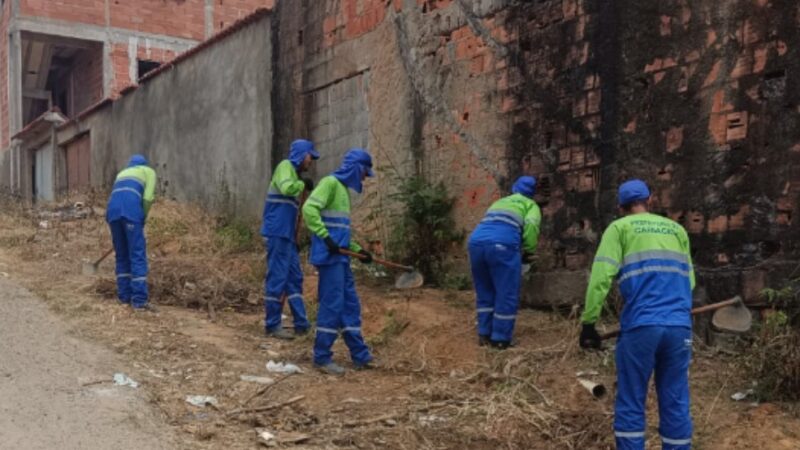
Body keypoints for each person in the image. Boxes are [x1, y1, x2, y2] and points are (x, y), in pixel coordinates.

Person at [579, 179, 695, 450]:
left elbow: (600, 280)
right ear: (650, 200)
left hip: (641, 327)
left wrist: (589, 324)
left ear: (620, 207)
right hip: (679, 327)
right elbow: (689, 282)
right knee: (675, 398)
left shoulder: (619, 228)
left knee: (631, 398)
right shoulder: (677, 229)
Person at [302, 148, 375, 375]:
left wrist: (359, 251)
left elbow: (341, 233)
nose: (364, 178)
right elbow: (309, 208)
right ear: (357, 168)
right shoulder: (330, 184)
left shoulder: (342, 191)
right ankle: (322, 357)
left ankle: (360, 356)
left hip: (340, 259)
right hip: (330, 258)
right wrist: (325, 238)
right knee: (332, 306)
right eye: (364, 172)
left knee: (350, 305)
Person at [467, 176, 541, 349]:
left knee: (485, 290)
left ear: (515, 188)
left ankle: (484, 334)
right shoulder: (531, 206)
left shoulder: (499, 202)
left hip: (476, 244)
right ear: (532, 194)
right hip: (502, 246)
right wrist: (529, 251)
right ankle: (500, 338)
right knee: (506, 292)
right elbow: (531, 227)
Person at [260, 139, 319, 339]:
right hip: (277, 232)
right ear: (302, 155)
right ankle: (272, 324)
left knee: (295, 277)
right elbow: (286, 189)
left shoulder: (294, 174)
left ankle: (301, 322)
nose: (311, 161)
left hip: (286, 235)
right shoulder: (285, 168)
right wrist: (302, 184)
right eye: (310, 156)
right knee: (277, 277)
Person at [106, 154, 157, 312]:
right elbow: (148, 198)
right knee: (137, 253)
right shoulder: (148, 171)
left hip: (112, 213)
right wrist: (142, 216)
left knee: (122, 254)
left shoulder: (122, 173)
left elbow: (116, 196)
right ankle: (139, 301)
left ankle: (124, 297)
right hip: (131, 212)